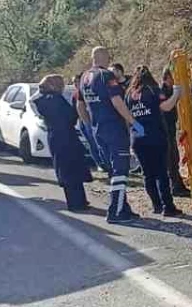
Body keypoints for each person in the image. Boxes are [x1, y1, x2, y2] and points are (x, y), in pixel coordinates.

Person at [78, 47, 144, 224]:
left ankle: (124, 207)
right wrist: (133, 122)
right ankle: (115, 211)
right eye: (108, 57)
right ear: (104, 57)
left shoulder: (84, 77)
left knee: (113, 170)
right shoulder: (106, 76)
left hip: (98, 129)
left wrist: (89, 124)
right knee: (121, 170)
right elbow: (117, 102)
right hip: (114, 128)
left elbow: (80, 106)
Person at [127, 66, 183, 217]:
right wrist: (177, 94)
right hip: (155, 137)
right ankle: (168, 207)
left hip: (137, 139)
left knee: (147, 174)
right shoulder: (153, 90)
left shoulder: (130, 95)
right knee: (161, 174)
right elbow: (166, 106)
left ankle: (156, 205)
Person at [32, 74, 92, 212]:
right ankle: (76, 203)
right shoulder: (55, 99)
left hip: (55, 137)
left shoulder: (43, 100)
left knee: (65, 169)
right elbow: (69, 117)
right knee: (72, 169)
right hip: (65, 137)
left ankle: (77, 201)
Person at [159, 66, 190, 196]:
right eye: (173, 78)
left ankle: (178, 184)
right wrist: (177, 94)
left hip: (170, 129)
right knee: (170, 159)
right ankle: (175, 187)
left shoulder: (170, 90)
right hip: (164, 130)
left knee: (174, 158)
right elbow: (166, 107)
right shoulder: (162, 92)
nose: (175, 81)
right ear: (166, 79)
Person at [73, 70, 109, 172]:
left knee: (98, 143)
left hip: (92, 120)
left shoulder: (87, 90)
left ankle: (105, 163)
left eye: (77, 82)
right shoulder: (75, 94)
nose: (75, 84)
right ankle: (100, 163)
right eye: (74, 82)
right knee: (91, 144)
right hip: (83, 122)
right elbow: (76, 108)